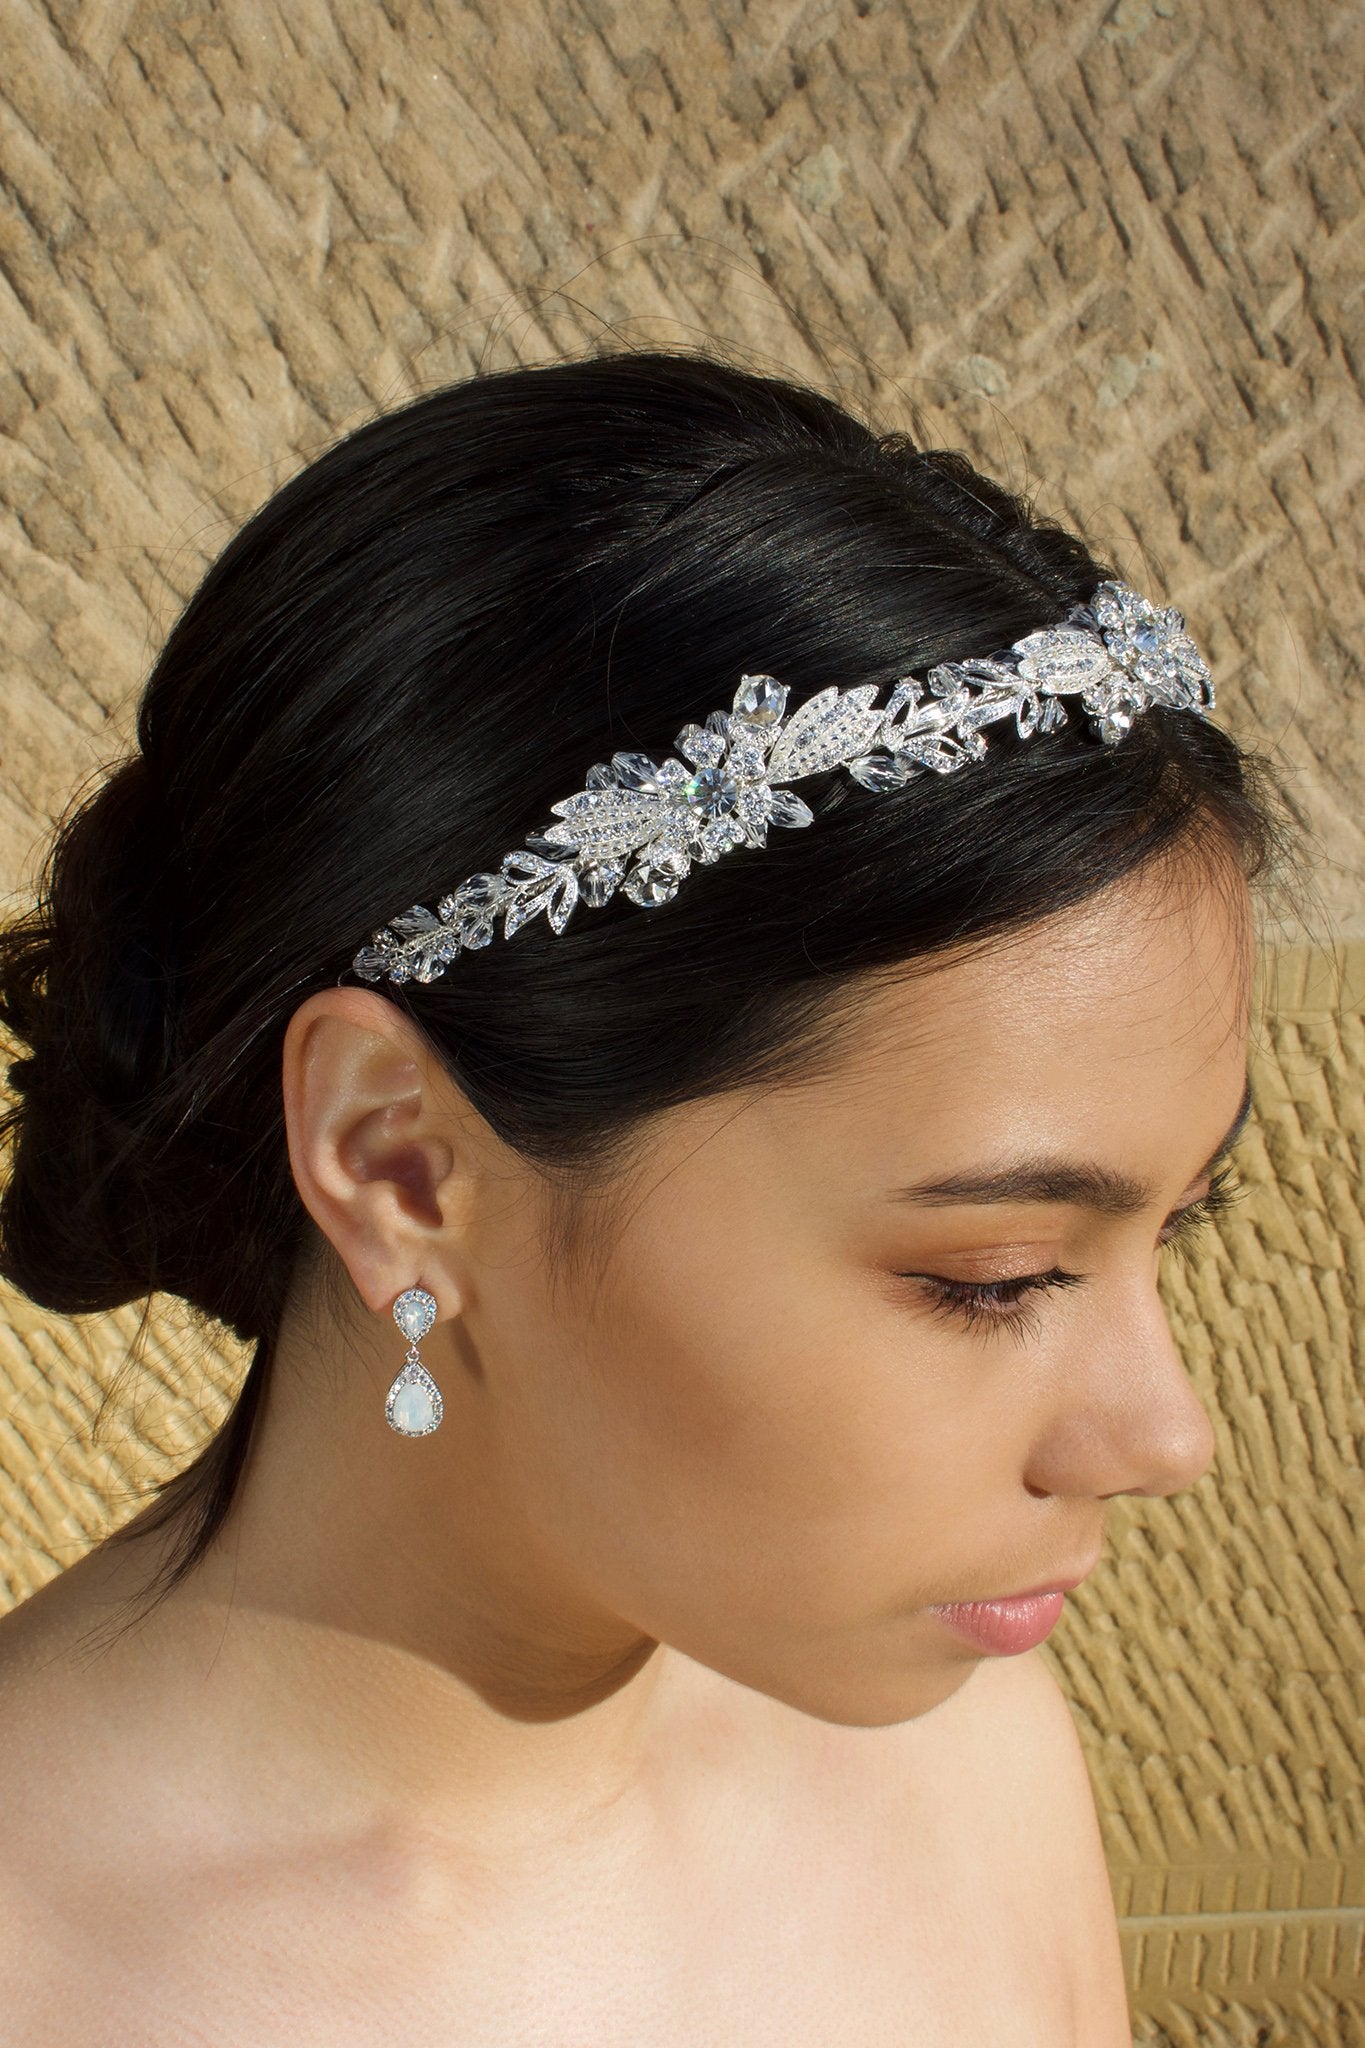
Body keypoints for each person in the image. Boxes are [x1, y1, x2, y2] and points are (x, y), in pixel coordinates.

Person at [0, 350, 1287, 2044]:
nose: (1160, 1436)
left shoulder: (955, 1745)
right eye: (991, 1274)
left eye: (1168, 1230)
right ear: (401, 1162)